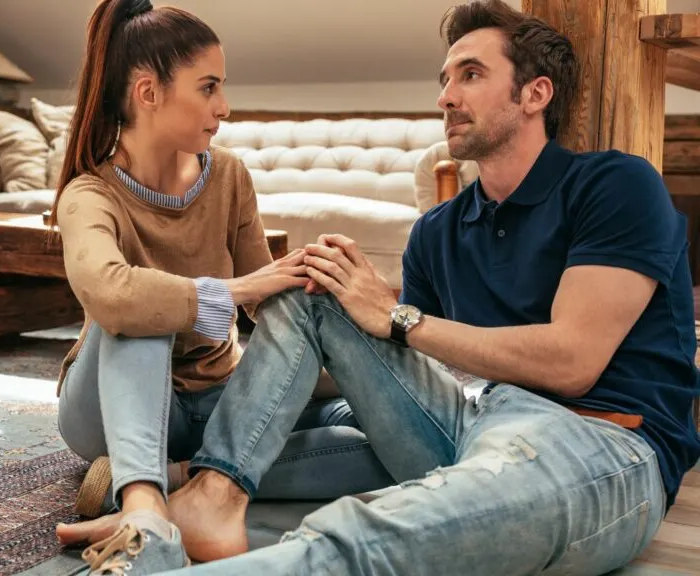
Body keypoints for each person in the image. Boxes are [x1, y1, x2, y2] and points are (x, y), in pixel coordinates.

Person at [0, 0, 395, 574]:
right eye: (208, 88)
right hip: (108, 400)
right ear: (149, 93)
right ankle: (145, 506)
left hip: (217, 400)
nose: (223, 107)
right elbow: (114, 295)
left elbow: (264, 303)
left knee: (386, 443)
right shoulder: (89, 193)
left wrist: (346, 336)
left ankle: (176, 483)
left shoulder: (227, 175)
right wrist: (238, 286)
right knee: (138, 306)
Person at [149, 1, 700, 574]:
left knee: (370, 539)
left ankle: (170, 483)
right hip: (471, 419)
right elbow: (401, 367)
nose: (445, 98)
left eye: (471, 75)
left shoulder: (615, 185)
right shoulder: (437, 232)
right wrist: (274, 370)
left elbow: (572, 362)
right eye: (445, 81)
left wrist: (397, 319)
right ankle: (211, 491)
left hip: (601, 443)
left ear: (535, 95)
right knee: (318, 285)